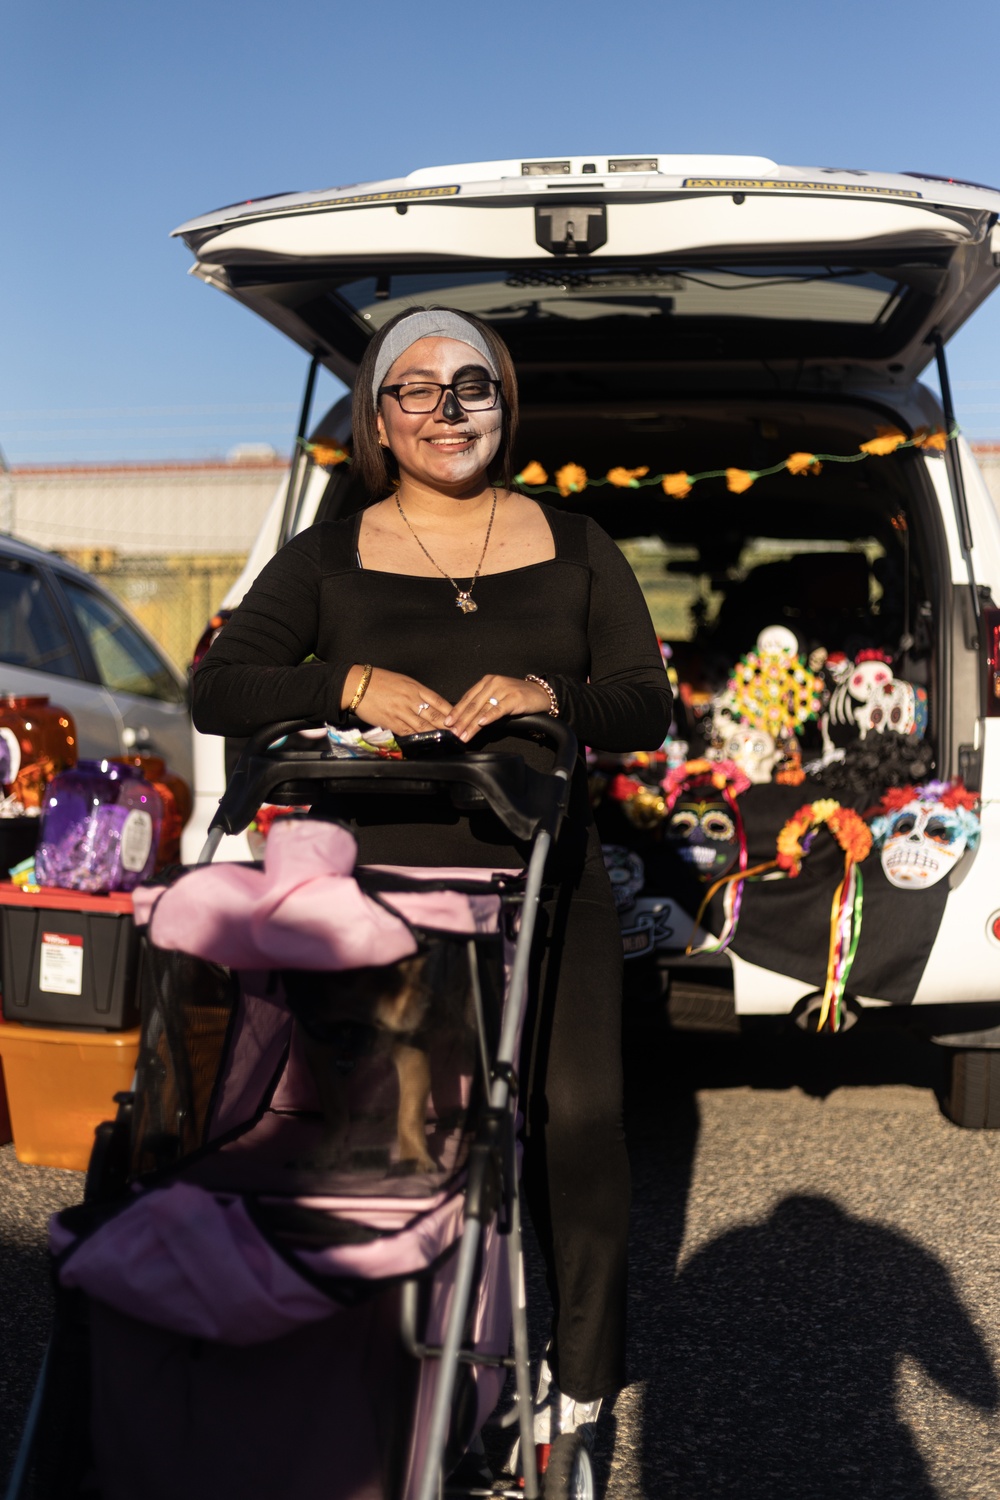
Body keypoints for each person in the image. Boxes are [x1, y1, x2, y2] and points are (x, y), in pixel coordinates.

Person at [192, 306, 672, 1460]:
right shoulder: (328, 554)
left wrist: (547, 695)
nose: (447, 410)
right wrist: (344, 678)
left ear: (505, 406)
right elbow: (220, 689)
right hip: (377, 889)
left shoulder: (575, 543)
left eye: (473, 386)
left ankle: (581, 1380)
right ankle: (393, 1362)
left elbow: (644, 706)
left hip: (547, 878)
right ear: (378, 416)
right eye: (417, 389)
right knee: (394, 1137)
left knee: (578, 1124)